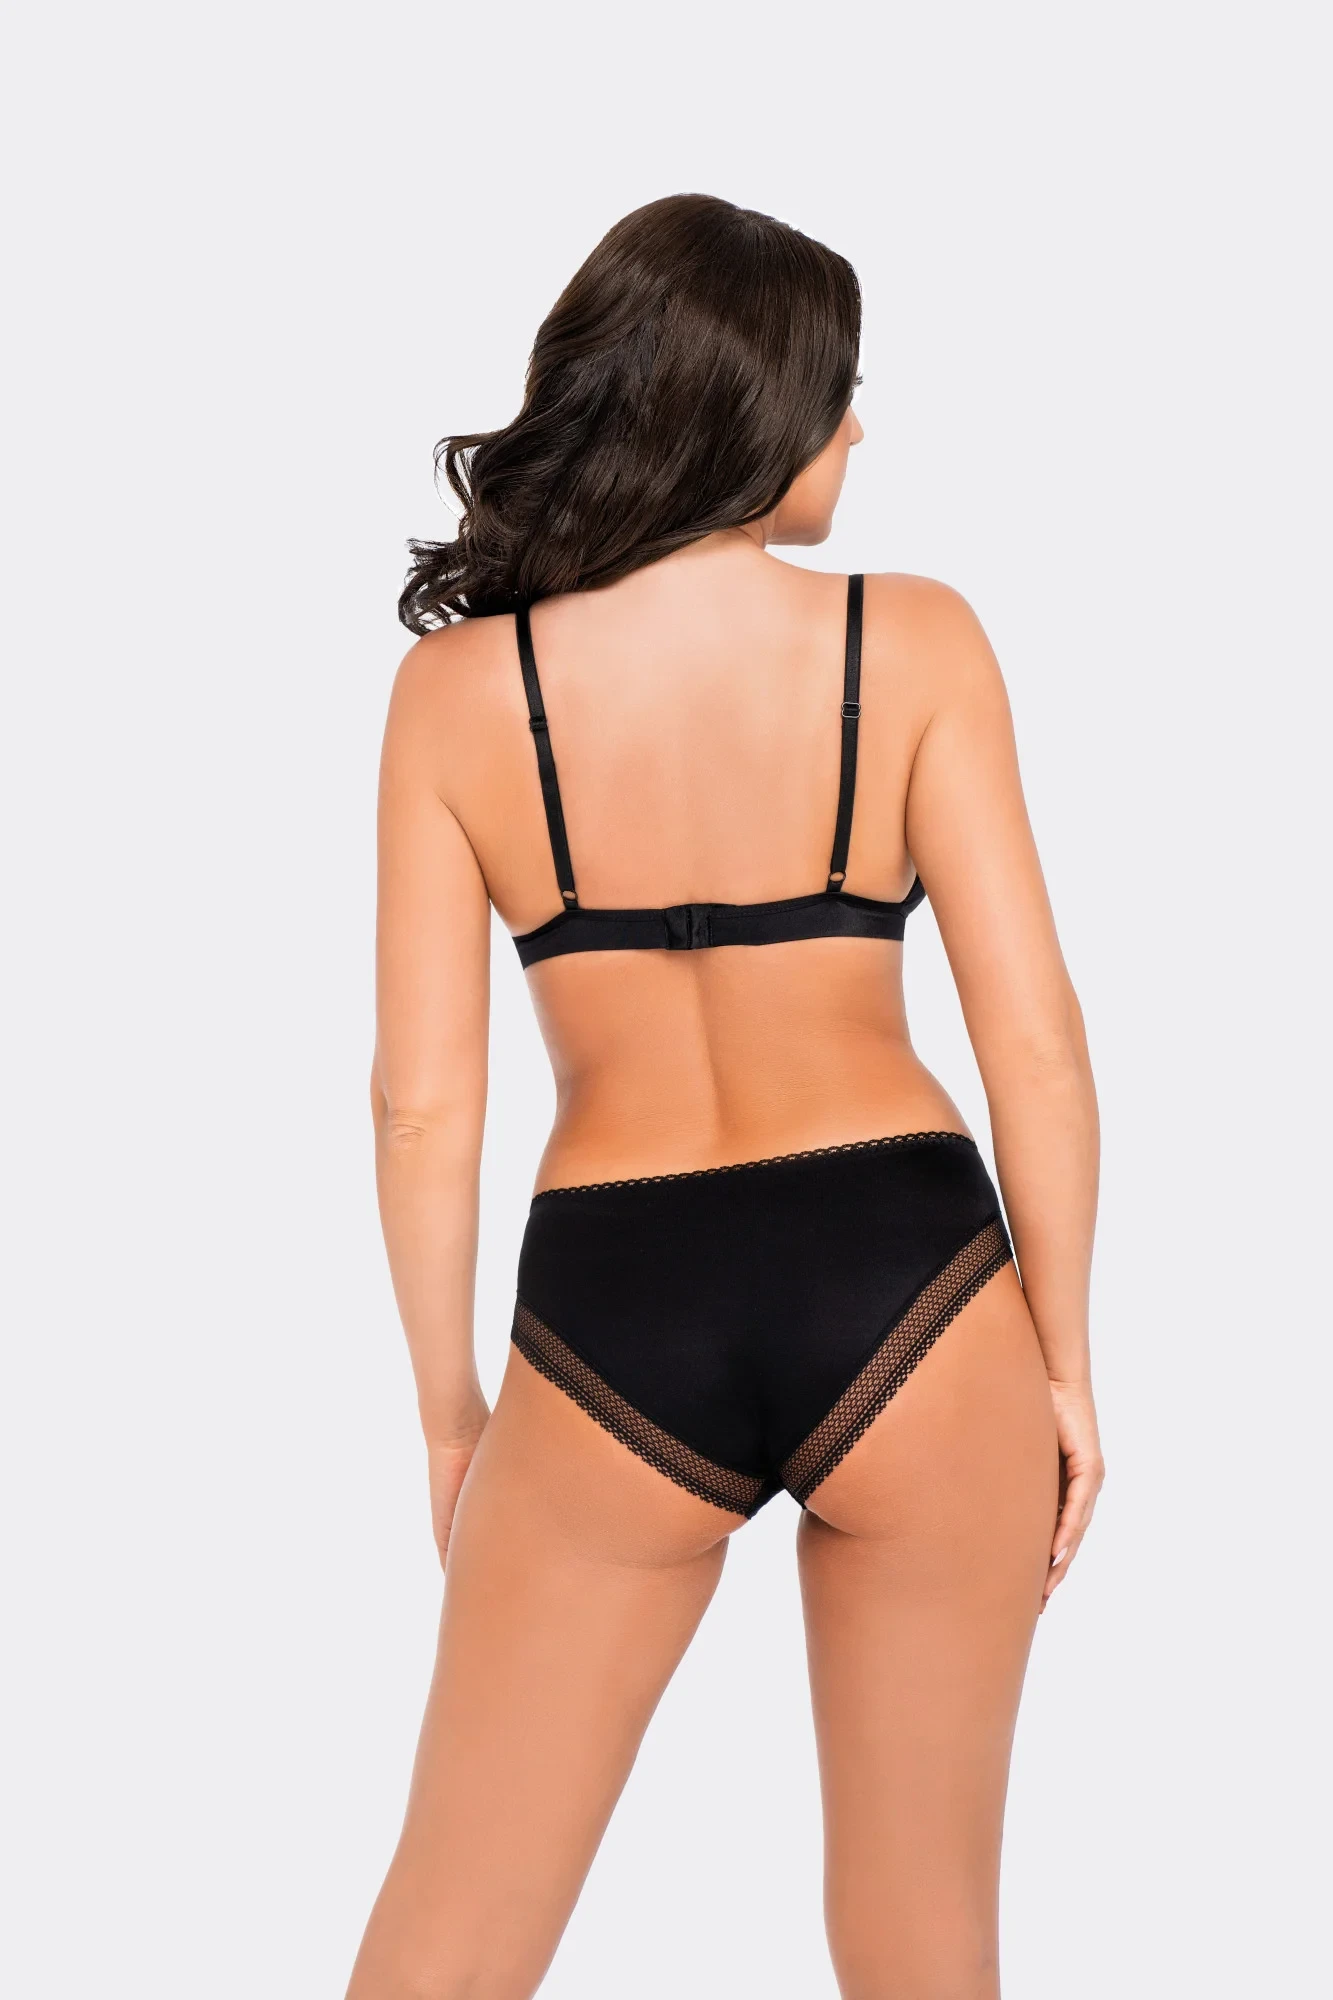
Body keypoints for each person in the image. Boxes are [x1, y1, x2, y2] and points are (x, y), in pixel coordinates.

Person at [347, 193, 1102, 2000]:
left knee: (447, 1946)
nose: (860, 429)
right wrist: (1065, 1361)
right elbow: (1036, 1044)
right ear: (755, 405)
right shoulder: (914, 643)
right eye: (842, 388)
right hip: (913, 1285)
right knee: (924, 1952)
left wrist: (452, 1414)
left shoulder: (456, 695)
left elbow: (422, 1106)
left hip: (614, 1309)